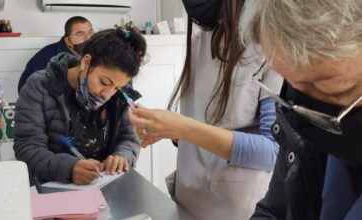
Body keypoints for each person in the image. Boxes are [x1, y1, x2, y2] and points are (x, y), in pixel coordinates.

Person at [129, 0, 283, 219]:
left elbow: (271, 152)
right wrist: (168, 130)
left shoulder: (269, 43)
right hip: (189, 197)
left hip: (236, 207)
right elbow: (205, 123)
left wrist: (182, 128)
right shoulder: (200, 39)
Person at [238, 0, 362, 219]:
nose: (308, 108)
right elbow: (274, 210)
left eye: (330, 89)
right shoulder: (302, 121)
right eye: (291, 81)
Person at [13, 27, 146, 185]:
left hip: (104, 185)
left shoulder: (120, 96)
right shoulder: (40, 86)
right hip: (54, 188)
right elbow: (27, 147)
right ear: (86, 62)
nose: (107, 94)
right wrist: (69, 168)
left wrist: (122, 157)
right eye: (104, 82)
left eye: (117, 87)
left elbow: (129, 138)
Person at [17, 16, 93, 92]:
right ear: (67, 39)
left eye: (90, 32)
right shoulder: (47, 56)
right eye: (80, 34)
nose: (87, 38)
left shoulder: (92, 53)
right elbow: (25, 88)